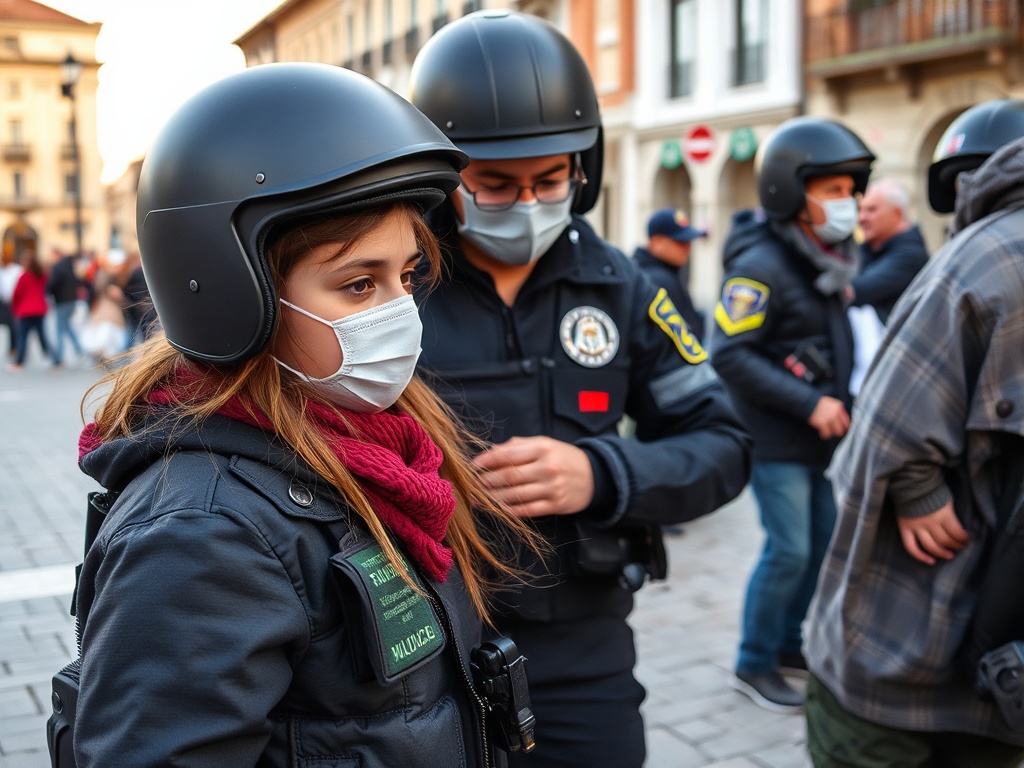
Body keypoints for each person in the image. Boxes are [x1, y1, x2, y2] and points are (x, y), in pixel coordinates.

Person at [70, 62, 544, 768]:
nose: (402, 312)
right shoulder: (201, 534)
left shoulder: (383, 449)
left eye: (406, 276)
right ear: (236, 294)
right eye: (359, 284)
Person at [409, 11, 752, 767]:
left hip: (580, 645)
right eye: (496, 184)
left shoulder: (621, 288)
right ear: (442, 178)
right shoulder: (391, 291)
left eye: (550, 180)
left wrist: (602, 472)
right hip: (424, 648)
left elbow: (723, 446)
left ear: (582, 169)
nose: (528, 204)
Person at [803, 99, 1024, 768]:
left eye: (863, 201)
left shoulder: (980, 259)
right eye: (843, 196)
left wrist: (915, 486)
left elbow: (884, 431)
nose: (855, 211)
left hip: (905, 662)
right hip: (1001, 687)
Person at [709, 116, 875, 713]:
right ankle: (754, 662)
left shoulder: (824, 257)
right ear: (790, 191)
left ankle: (785, 645)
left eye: (851, 189)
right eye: (833, 189)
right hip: (776, 439)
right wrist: (811, 402)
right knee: (790, 551)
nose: (848, 202)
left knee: (822, 542)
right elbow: (729, 352)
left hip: (818, 442)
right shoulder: (761, 265)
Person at [848, 178, 929, 324]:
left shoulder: (911, 255)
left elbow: (856, 291)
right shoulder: (869, 248)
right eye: (860, 210)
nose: (861, 218)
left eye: (871, 210)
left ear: (897, 213)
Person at [633, 208, 708, 342]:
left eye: (688, 242)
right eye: (680, 242)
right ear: (656, 242)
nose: (687, 248)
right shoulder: (657, 280)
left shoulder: (664, 271)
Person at [7, 248, 51, 371]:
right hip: (39, 309)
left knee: (22, 337)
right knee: (42, 336)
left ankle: (19, 362)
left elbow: (16, 293)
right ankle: (54, 359)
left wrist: (14, 307)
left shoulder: (24, 276)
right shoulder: (42, 275)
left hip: (25, 310)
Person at [46, 248, 86, 366]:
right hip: (71, 300)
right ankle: (79, 351)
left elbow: (52, 284)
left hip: (62, 301)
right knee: (66, 327)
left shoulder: (58, 268)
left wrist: (48, 292)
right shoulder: (69, 266)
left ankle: (58, 359)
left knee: (59, 329)